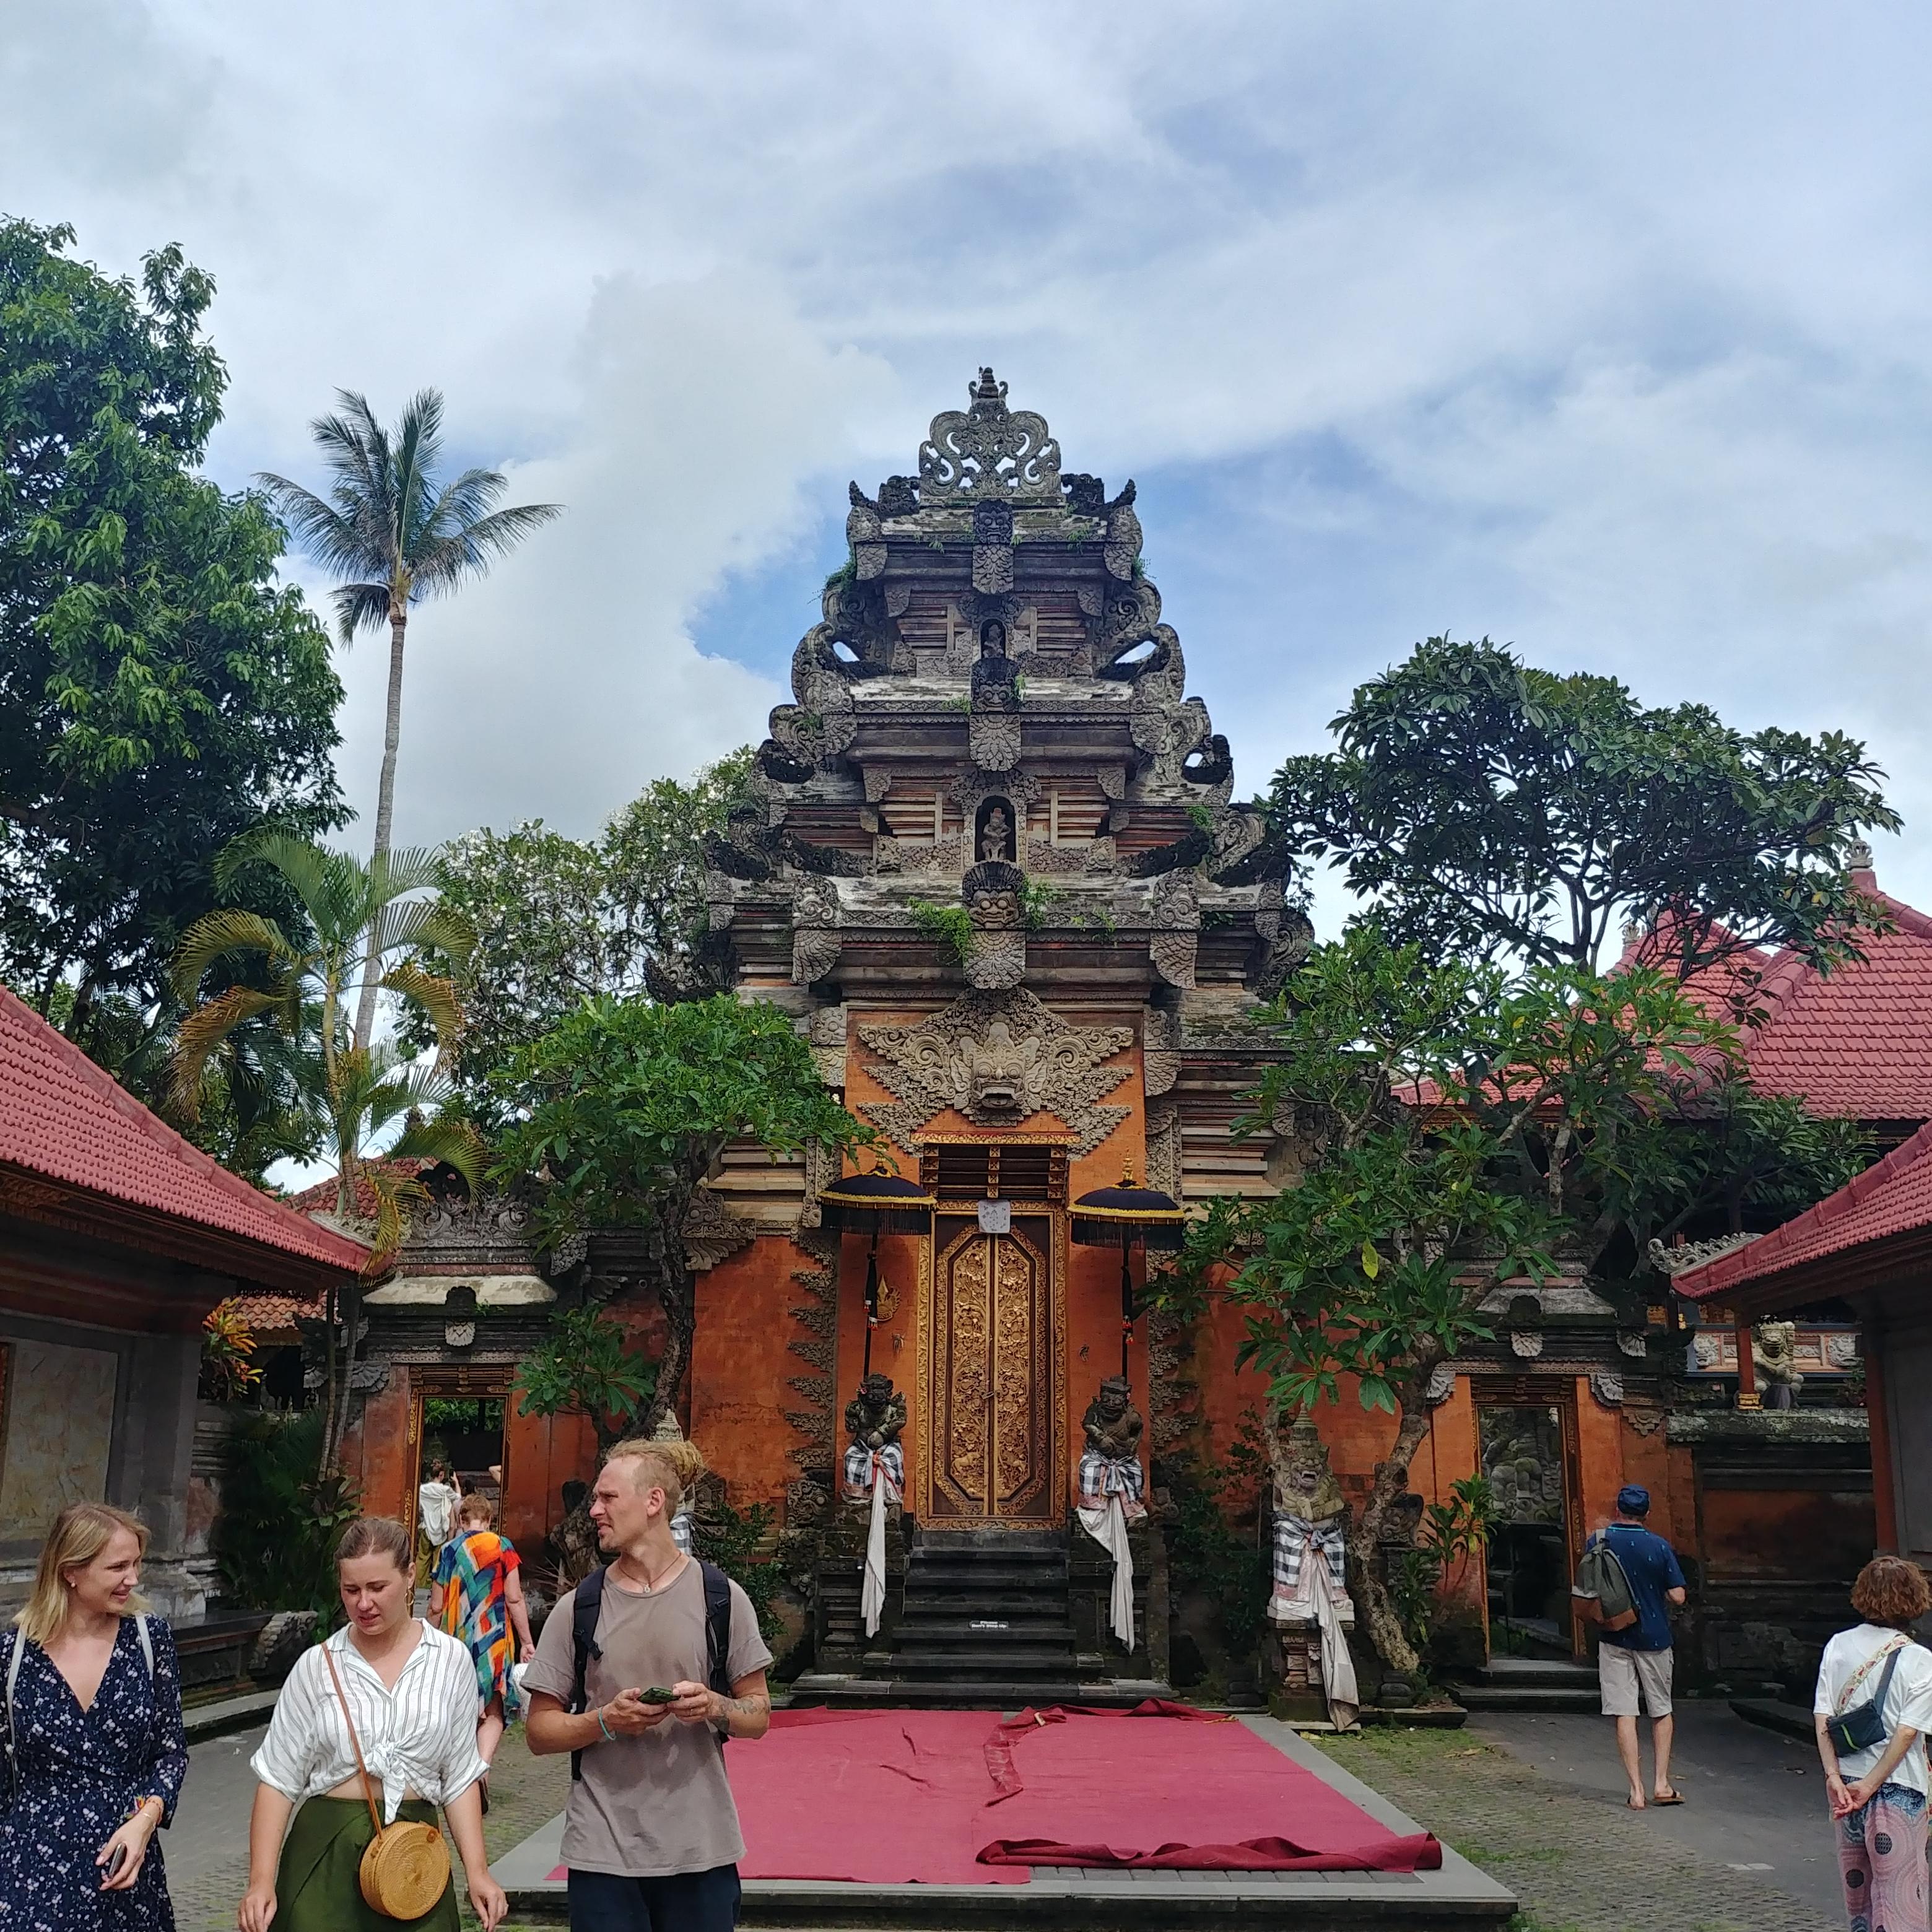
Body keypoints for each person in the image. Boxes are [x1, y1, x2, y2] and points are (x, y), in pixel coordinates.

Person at [524, 1437, 773, 1932]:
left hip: (700, 1849)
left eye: (608, 1498)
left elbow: (759, 1714)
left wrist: (716, 1706)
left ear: (654, 1502)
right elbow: (538, 1732)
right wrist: (605, 1721)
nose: (594, 1510)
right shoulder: (580, 1607)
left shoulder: (721, 1598)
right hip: (602, 1853)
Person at [238, 1516, 508, 1932]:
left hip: (415, 1859)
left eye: (377, 1588)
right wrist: (260, 1882)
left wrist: (478, 1871)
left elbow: (459, 1776)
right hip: (326, 1853)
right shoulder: (318, 1665)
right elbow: (278, 1779)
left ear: (409, 1577)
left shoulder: (450, 1660)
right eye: (352, 1591)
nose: (363, 1603)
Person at [0, 1502, 187, 1929]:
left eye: (136, 1563)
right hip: (30, 1872)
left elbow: (171, 1753)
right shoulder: (11, 1656)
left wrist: (145, 1820)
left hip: (124, 1870)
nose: (133, 1579)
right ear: (71, 1571)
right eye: (118, 1566)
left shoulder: (147, 1639)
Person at [1813, 1554, 1932, 1932]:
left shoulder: (1837, 1646)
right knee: (1900, 1898)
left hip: (1846, 1791)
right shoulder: (1920, 1659)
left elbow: (1822, 1715)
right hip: (1900, 1791)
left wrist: (1833, 1775)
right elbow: (1909, 1731)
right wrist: (1873, 1784)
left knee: (1858, 1897)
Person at [1590, 1484, 1687, 1809]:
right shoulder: (1659, 1546)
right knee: (1661, 1709)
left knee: (1624, 1711)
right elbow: (1678, 1595)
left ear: (1617, 1510)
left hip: (1613, 1635)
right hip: (1654, 1637)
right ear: (1647, 1514)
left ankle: (1635, 1790)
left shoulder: (1599, 1540)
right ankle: (1661, 1783)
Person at [430, 1490, 536, 1786]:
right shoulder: (502, 1547)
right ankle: (482, 1769)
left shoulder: (449, 1551)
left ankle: (461, 1773)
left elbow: (436, 1606)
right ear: (489, 1520)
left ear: (462, 1520)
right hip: (495, 1641)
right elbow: (514, 1599)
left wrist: (428, 1637)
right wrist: (527, 1641)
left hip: (456, 1642)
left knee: (461, 1708)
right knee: (493, 1711)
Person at [417, 1461, 461, 1588]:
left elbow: (419, 1506)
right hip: (441, 1527)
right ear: (441, 1475)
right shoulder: (445, 1490)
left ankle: (419, 1583)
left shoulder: (423, 1489)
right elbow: (458, 1498)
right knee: (438, 1558)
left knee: (422, 1557)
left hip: (426, 1525)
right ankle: (436, 1585)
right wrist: (456, 1482)